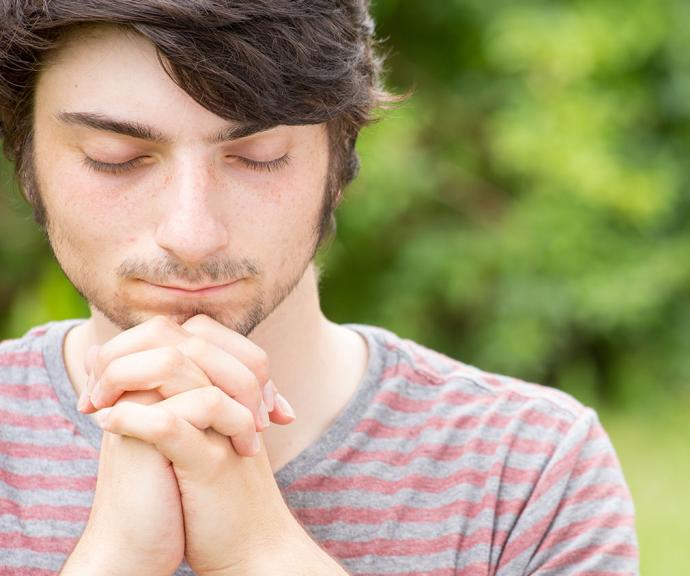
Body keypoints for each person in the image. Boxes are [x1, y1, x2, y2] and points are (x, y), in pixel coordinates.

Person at [0, 2, 638, 575]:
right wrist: (117, 560)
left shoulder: (529, 472)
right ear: (27, 162)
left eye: (258, 155)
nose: (190, 233)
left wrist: (262, 551)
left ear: (341, 161)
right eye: (114, 156)